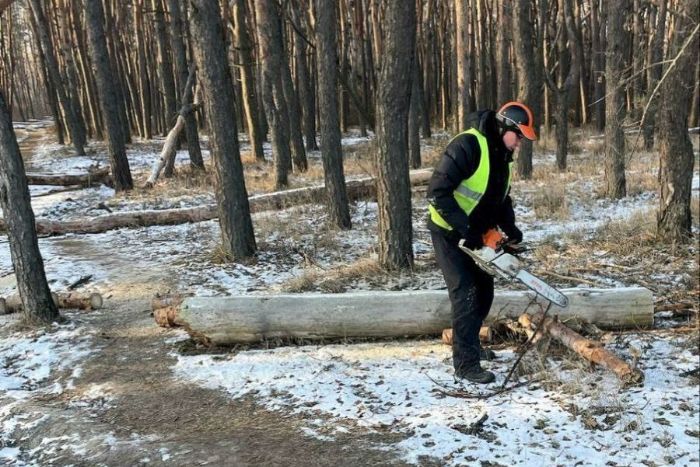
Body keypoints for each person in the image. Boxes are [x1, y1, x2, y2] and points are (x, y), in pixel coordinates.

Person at [427, 102, 537, 384]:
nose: (520, 143)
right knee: (466, 292)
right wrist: (467, 229)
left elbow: (500, 199)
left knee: (484, 291)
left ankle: (470, 345)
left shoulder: (503, 157)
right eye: (519, 136)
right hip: (448, 231)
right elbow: (438, 193)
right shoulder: (468, 145)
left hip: (475, 232)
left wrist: (510, 228)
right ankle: (465, 363)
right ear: (504, 128)